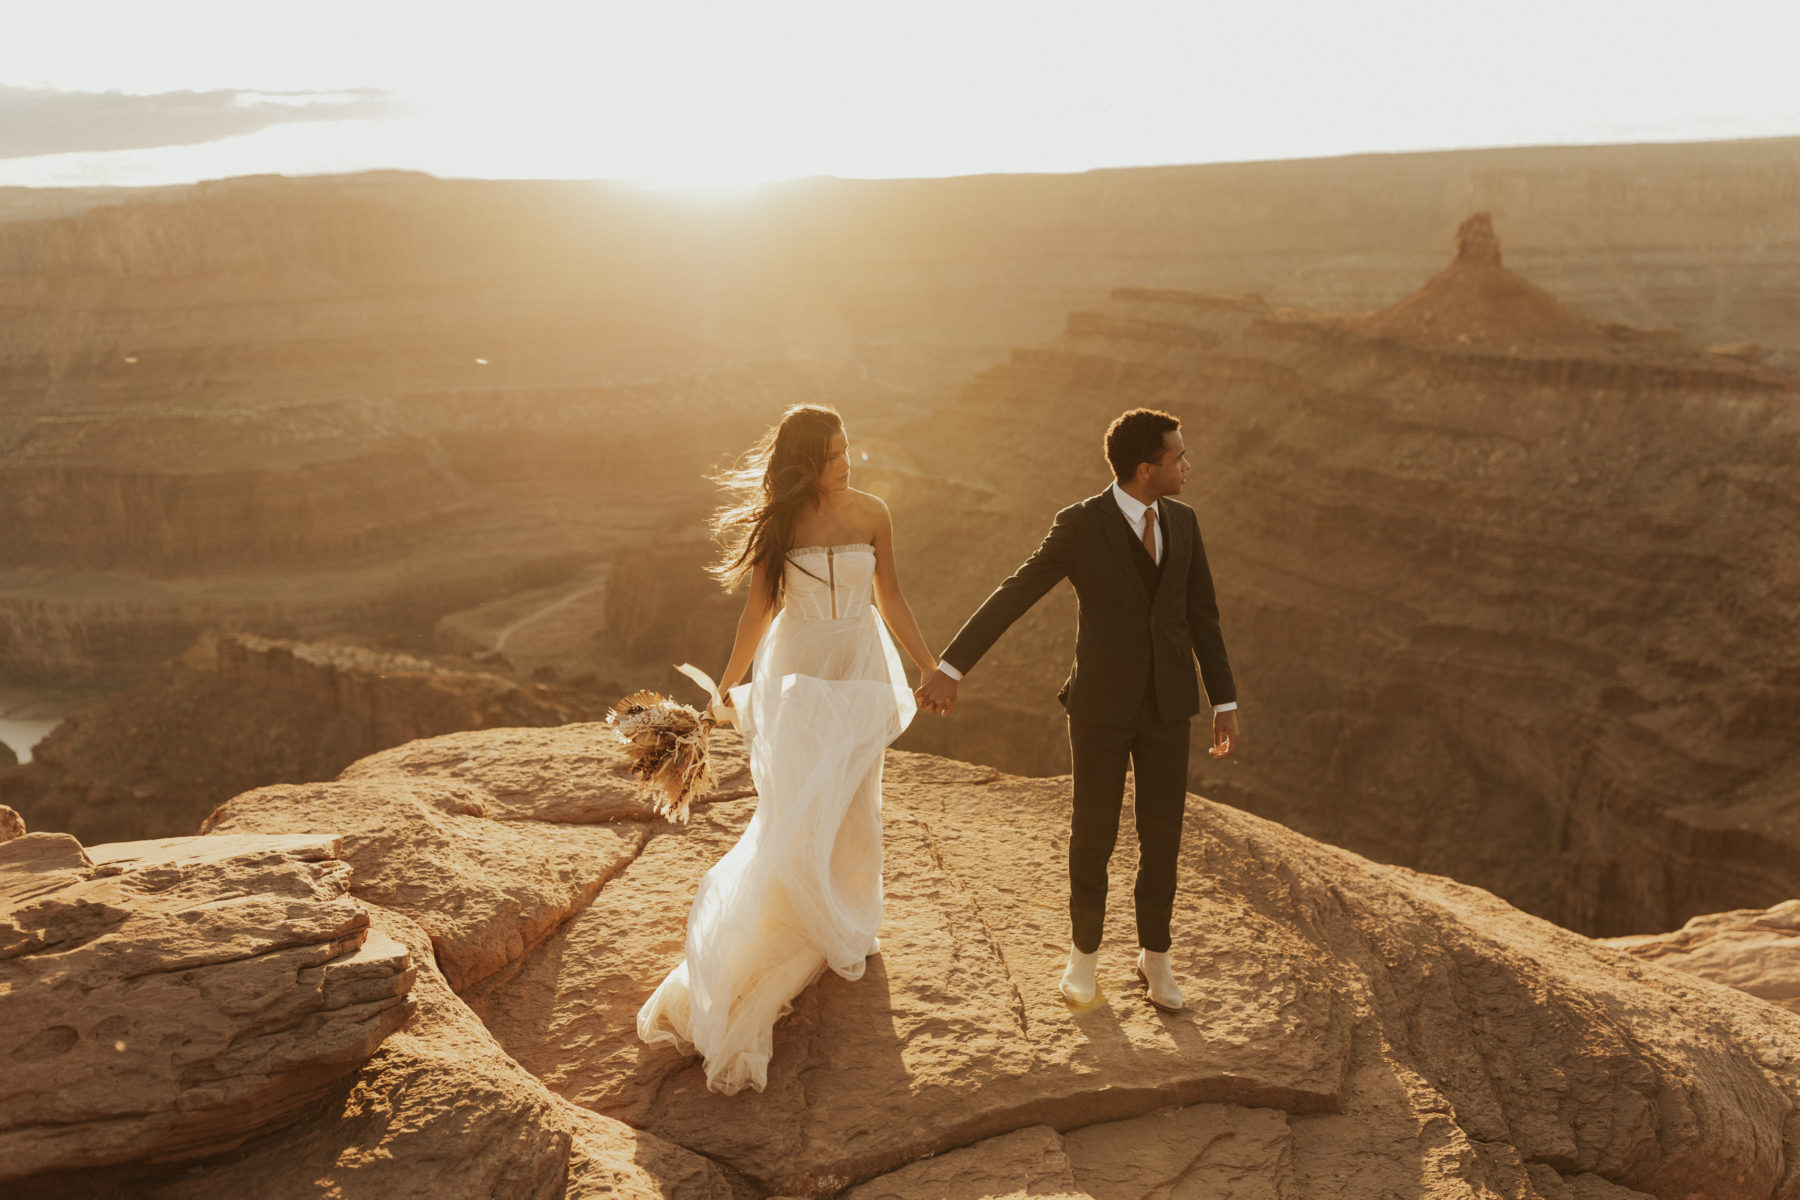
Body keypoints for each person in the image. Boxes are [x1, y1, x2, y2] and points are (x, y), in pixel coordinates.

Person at [637, 404, 938, 1095]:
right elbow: (757, 611)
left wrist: (929, 665)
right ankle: (796, 912)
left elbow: (891, 596)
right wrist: (725, 687)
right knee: (798, 803)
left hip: (861, 665)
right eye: (834, 454)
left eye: (847, 450)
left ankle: (847, 916)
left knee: (858, 797)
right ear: (805, 462)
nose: (846, 462)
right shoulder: (781, 524)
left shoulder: (873, 512)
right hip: (798, 669)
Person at [915, 408, 1240, 1012]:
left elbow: (1203, 616)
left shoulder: (1185, 522)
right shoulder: (1081, 525)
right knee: (1094, 834)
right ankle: (1083, 956)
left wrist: (1224, 700)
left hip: (1170, 706)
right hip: (1099, 708)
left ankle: (1156, 957)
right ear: (1148, 469)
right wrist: (951, 667)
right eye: (1178, 457)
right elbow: (1017, 591)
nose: (1187, 465)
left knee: (1162, 834)